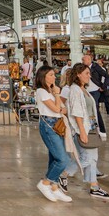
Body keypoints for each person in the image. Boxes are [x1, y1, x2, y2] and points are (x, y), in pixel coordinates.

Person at [61, 64, 109, 201]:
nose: (89, 76)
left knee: (92, 158)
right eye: (86, 73)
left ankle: (94, 187)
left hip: (90, 126)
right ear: (78, 74)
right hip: (82, 127)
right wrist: (82, 131)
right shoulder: (74, 90)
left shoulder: (83, 90)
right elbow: (77, 112)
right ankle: (62, 175)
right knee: (86, 158)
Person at [32, 66, 72, 203]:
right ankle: (45, 183)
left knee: (55, 158)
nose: (54, 77)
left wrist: (56, 97)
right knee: (63, 159)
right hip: (48, 126)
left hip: (58, 125)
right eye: (51, 75)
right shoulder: (41, 91)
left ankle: (54, 187)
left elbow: (64, 109)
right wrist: (56, 95)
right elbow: (56, 108)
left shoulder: (51, 90)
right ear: (43, 77)